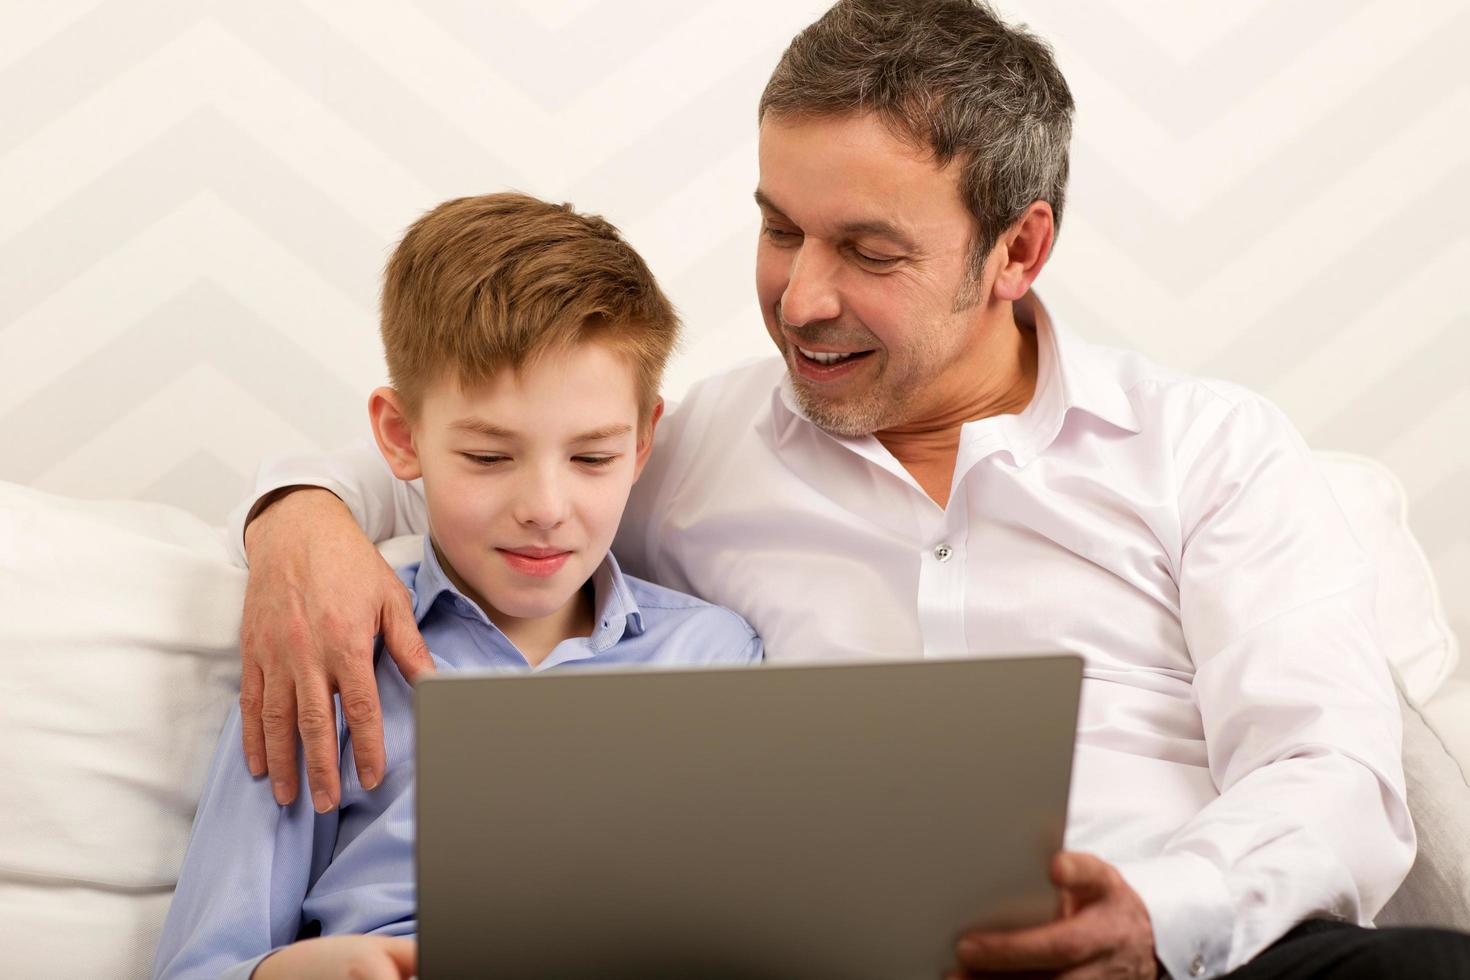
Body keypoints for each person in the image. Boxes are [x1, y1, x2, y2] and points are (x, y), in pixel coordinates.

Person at [226, 2, 1470, 978]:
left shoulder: (1209, 448)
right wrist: (299, 518)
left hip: (1178, 956)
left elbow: (1334, 776)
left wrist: (1154, 917)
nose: (801, 297)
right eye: (780, 229)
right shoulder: (696, 440)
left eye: (869, 251)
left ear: (1016, 251)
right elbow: (478, 461)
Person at [152, 193, 762, 980]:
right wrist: (316, 969)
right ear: (401, 437)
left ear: (644, 440)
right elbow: (199, 965)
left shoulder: (716, 658)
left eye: (592, 459)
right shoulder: (333, 657)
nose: (545, 509)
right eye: (487, 457)